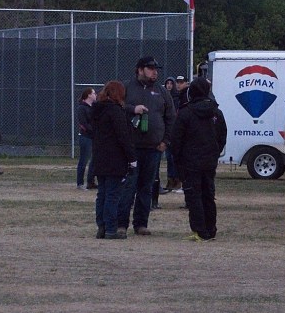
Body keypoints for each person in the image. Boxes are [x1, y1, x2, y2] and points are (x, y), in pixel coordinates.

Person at [118, 55, 177, 236]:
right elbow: (116, 107)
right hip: (131, 149)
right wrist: (132, 109)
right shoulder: (126, 88)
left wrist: (165, 141)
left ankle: (141, 224)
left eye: (156, 69)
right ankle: (121, 225)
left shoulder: (162, 92)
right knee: (128, 186)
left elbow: (171, 118)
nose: (155, 72)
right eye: (151, 68)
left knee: (146, 187)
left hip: (153, 149)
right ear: (140, 69)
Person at [171, 77, 227, 241]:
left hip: (190, 161)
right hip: (209, 160)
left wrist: (178, 158)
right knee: (208, 194)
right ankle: (210, 229)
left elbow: (176, 138)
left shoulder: (186, 112)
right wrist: (215, 152)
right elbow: (222, 136)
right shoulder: (216, 112)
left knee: (193, 195)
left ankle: (200, 230)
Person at [91, 80, 137, 239]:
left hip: (100, 158)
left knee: (102, 194)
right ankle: (111, 228)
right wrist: (132, 158)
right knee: (112, 195)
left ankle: (102, 227)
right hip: (115, 159)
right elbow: (123, 137)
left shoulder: (97, 110)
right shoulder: (116, 111)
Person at [75, 87, 97, 190]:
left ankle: (90, 182)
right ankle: (80, 183)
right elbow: (83, 123)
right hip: (85, 137)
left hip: (94, 137)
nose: (95, 95)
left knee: (94, 159)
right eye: (93, 93)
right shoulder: (82, 108)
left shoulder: (94, 107)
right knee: (84, 159)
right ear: (88, 95)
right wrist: (93, 130)